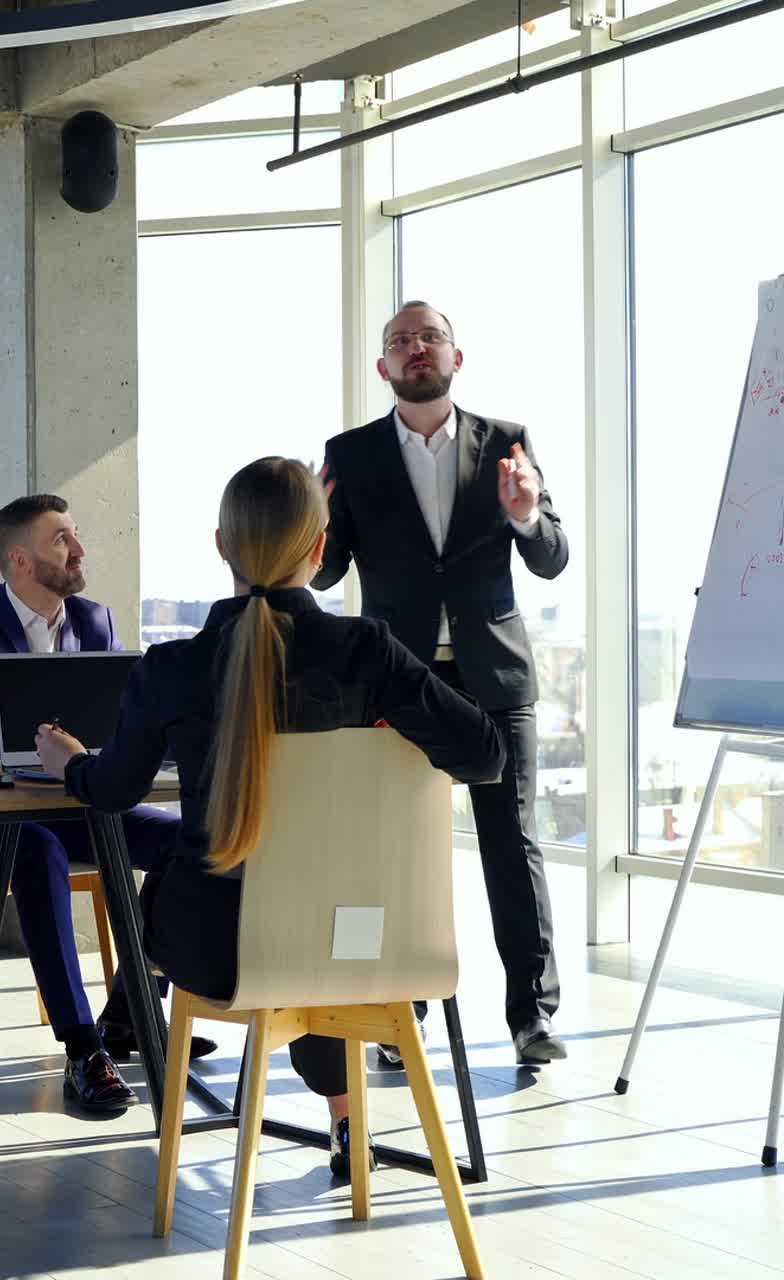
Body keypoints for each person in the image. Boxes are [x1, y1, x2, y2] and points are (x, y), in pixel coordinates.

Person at [35, 457, 503, 1181]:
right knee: (318, 924)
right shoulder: (367, 653)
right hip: (364, 941)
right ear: (319, 553)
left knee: (179, 875)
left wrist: (67, 761)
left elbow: (113, 790)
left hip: (219, 950)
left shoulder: (171, 668)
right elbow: (484, 754)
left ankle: (120, 1035)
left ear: (222, 545)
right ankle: (349, 1125)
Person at [313, 300, 570, 1066]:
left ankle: (532, 1017)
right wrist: (314, 533)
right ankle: (402, 1008)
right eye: (400, 340)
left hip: (494, 677)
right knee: (397, 847)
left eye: (430, 337)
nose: (416, 348)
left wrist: (525, 517)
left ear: (458, 358)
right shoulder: (349, 453)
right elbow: (326, 569)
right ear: (383, 367)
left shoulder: (507, 443)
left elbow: (553, 556)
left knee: (511, 841)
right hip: (396, 679)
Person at [0, 494, 215, 1070]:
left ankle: (129, 1009)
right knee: (39, 853)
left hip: (86, 801)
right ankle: (83, 1046)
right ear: (18, 558)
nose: (79, 550)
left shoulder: (94, 619)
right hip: (8, 813)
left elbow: (121, 712)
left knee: (193, 843)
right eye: (62, 538)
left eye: (76, 534)